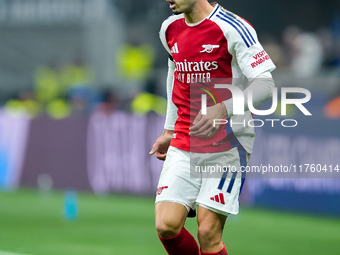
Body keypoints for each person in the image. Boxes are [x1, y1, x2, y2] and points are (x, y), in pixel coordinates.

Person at [149, 1, 276, 254]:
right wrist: (169, 130)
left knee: (208, 232)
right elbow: (175, 73)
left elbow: (266, 85)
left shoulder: (234, 28)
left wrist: (223, 107)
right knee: (166, 225)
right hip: (185, 136)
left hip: (228, 140)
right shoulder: (169, 29)